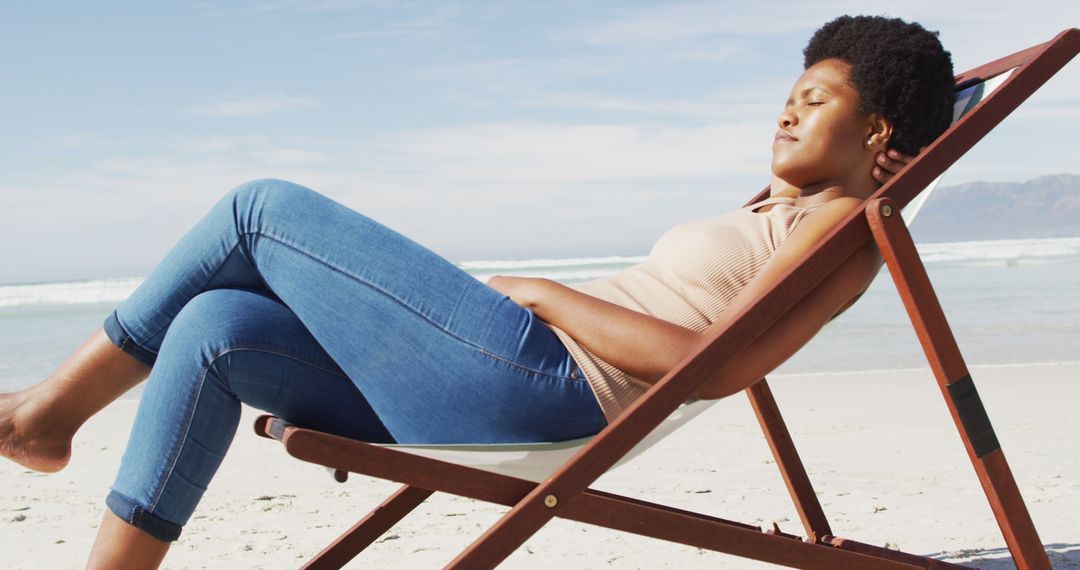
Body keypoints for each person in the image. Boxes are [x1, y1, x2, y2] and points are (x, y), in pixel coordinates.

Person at [0, 14, 953, 569]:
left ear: (878, 134)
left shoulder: (842, 230)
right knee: (215, 324)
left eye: (817, 97)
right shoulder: (778, 211)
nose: (787, 107)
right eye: (790, 90)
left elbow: (714, 367)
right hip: (516, 374)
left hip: (543, 386)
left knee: (260, 208)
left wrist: (547, 295)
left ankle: (46, 416)